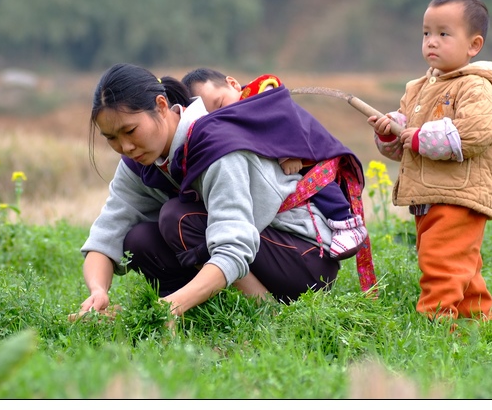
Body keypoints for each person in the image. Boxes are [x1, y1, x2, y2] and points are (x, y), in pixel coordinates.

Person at [78, 63, 376, 321]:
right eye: (111, 138)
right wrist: (97, 292)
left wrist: (172, 305)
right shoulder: (140, 160)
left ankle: (264, 312)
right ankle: (201, 311)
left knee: (178, 219)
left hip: (305, 262)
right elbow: (108, 232)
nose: (125, 147)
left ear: (160, 106)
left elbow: (234, 246)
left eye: (130, 131)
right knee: (139, 240)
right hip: (261, 252)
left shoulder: (215, 144)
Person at [369, 0, 492, 322]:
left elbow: (478, 131)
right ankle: (475, 325)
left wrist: (418, 137)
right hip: (431, 194)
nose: (432, 42)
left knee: (441, 264)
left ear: (474, 45)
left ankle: (435, 324)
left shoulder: (476, 86)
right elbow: (406, 140)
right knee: (463, 267)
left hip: (458, 196)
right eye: (426, 33)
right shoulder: (418, 88)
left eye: (444, 34)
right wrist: (392, 131)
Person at [181, 67, 368, 259]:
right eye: (213, 115)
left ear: (233, 84)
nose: (221, 114)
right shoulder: (232, 118)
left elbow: (283, 118)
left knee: (320, 184)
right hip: (286, 164)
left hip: (306, 151)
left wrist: (289, 154)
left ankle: (346, 223)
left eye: (220, 103)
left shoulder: (262, 93)